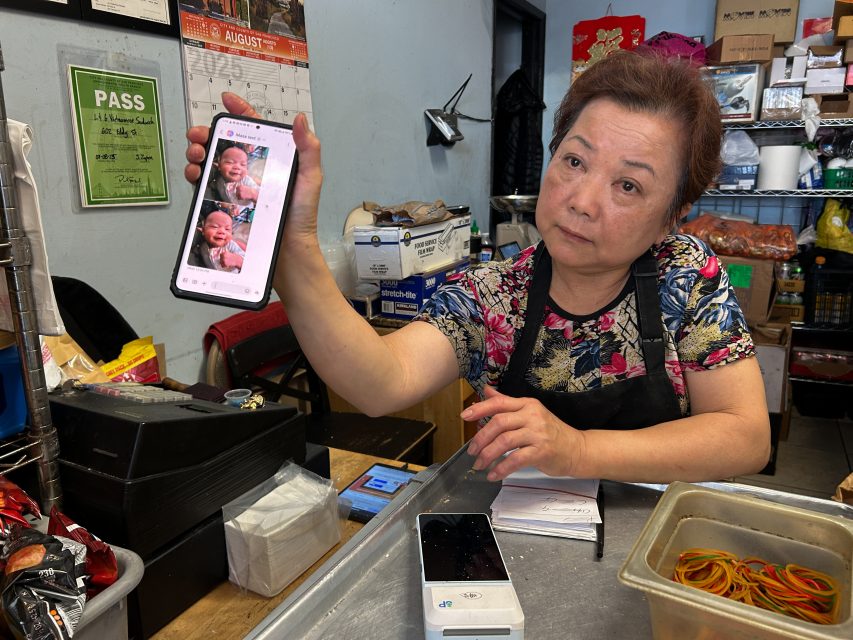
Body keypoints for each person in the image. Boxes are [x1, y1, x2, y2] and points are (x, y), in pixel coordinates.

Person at [185, 49, 770, 483]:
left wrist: (579, 451)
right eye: (573, 160)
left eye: (627, 185)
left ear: (673, 215)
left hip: (655, 541)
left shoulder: (685, 277)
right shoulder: (495, 295)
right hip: (519, 539)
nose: (582, 199)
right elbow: (380, 382)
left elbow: (745, 437)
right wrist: (295, 242)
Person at [188, 208, 245, 273]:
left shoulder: (230, 244)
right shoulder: (198, 242)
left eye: (227, 229)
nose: (222, 232)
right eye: (215, 227)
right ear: (203, 230)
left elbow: (248, 264)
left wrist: (237, 260)